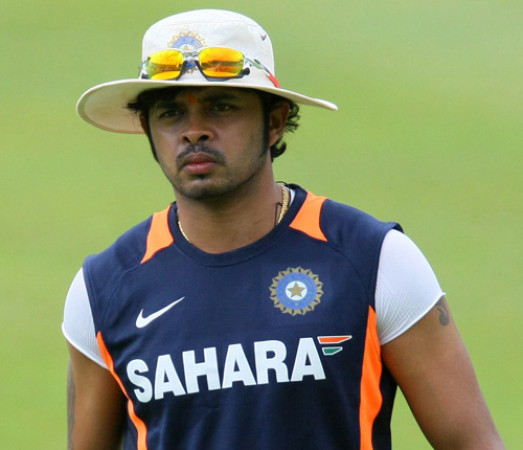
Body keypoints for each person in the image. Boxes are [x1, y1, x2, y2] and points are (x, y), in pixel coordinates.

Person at [62, 9, 504, 450]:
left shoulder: (374, 260)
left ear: (274, 121)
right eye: (170, 112)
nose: (193, 132)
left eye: (221, 106)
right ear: (147, 129)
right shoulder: (103, 289)